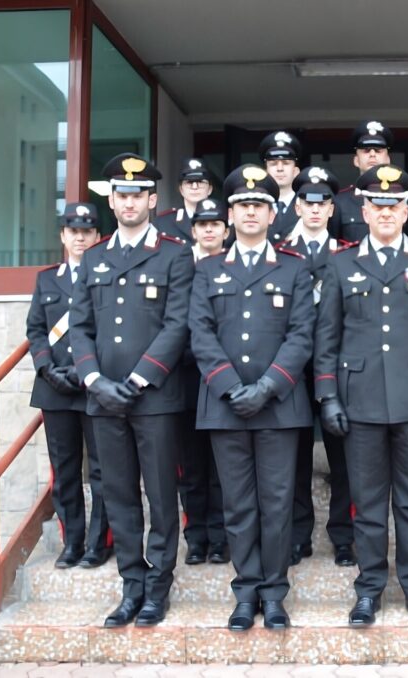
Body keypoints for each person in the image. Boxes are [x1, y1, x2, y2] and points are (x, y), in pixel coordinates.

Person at [314, 164, 408, 628]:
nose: (385, 212)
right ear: (363, 209)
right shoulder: (340, 263)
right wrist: (328, 398)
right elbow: (327, 338)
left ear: (406, 209)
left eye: (393, 205)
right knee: (368, 502)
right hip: (359, 403)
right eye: (376, 205)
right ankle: (370, 589)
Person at [69, 153, 194, 628]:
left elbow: (177, 323)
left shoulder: (174, 253)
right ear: (112, 200)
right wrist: (95, 379)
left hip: (154, 397)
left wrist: (140, 378)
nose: (128, 201)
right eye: (120, 194)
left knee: (162, 496)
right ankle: (131, 585)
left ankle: (159, 586)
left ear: (151, 199)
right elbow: (79, 326)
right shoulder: (95, 256)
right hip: (102, 399)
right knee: (118, 495)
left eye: (137, 194)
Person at [189, 164, 315, 631]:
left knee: (278, 503)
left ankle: (275, 592)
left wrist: (267, 387)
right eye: (242, 205)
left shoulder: (294, 267)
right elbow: (198, 332)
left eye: (259, 205)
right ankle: (245, 592)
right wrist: (229, 386)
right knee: (239, 504)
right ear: (230, 213)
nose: (250, 212)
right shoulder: (206, 270)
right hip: (224, 406)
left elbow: (303, 335)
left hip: (279, 406)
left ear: (271, 211)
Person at [26, 202, 111, 570]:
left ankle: (98, 543)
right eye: (73, 232)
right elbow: (36, 330)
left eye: (87, 232)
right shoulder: (48, 280)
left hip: (94, 386)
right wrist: (47, 369)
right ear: (63, 236)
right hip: (55, 388)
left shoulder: (106, 276)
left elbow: (112, 332)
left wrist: (85, 371)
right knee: (64, 471)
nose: (80, 238)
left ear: (97, 237)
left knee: (103, 471)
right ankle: (71, 542)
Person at [279, 166, 356, 569]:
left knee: (343, 454)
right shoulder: (279, 250)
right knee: (293, 454)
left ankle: (344, 534)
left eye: (322, 202)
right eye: (307, 202)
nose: (314, 209)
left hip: (337, 365)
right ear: (296, 206)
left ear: (331, 209)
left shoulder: (347, 252)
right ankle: (297, 533)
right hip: (289, 366)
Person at [179, 199, 230, 566]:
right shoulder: (179, 265)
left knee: (222, 469)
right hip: (184, 378)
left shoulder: (235, 265)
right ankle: (196, 537)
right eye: (203, 224)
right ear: (193, 230)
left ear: (225, 231)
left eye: (216, 224)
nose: (209, 230)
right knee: (192, 468)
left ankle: (221, 538)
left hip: (224, 378)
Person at [333, 121, 394, 243]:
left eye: (378, 150)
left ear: (388, 159)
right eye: (366, 150)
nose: (372, 154)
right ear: (356, 160)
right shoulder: (340, 201)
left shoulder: (405, 198)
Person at [259, 130, 304, 243]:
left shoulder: (307, 205)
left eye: (286, 163)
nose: (280, 168)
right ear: (265, 171)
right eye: (273, 163)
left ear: (296, 171)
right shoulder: (255, 205)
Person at [155, 157, 214, 242]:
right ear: (181, 190)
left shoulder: (223, 220)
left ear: (210, 189)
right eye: (189, 182)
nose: (194, 187)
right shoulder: (163, 222)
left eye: (200, 182)